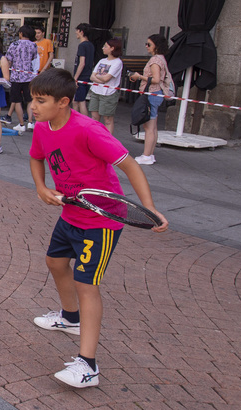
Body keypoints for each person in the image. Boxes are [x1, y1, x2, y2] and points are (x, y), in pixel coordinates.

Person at [28, 68, 168, 388]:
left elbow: (130, 164)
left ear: (63, 102)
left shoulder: (88, 131)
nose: (33, 106)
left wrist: (149, 209)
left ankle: (88, 366)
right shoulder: (42, 128)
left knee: (86, 284)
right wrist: (41, 186)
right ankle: (70, 318)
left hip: (101, 222)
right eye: (33, 100)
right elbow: (37, 158)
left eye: (41, 100)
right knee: (54, 262)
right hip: (70, 214)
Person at [128, 34, 173, 165]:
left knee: (149, 127)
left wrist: (139, 76)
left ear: (156, 46)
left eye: (149, 44)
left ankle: (146, 155)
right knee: (153, 126)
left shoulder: (155, 61)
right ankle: (150, 154)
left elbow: (156, 79)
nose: (146, 46)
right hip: (156, 94)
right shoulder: (161, 59)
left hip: (152, 93)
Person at [5, 25, 39, 132]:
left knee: (17, 100)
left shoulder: (14, 44)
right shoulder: (34, 45)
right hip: (29, 76)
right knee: (29, 100)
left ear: (21, 33)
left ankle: (21, 124)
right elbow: (34, 57)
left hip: (16, 76)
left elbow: (8, 59)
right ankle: (30, 121)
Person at [87, 38, 124, 132]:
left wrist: (98, 77)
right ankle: (94, 137)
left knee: (107, 119)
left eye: (105, 46)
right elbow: (92, 76)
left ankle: (108, 141)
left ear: (112, 48)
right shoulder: (102, 60)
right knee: (94, 117)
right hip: (96, 90)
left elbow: (106, 79)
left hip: (108, 93)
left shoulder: (117, 62)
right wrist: (101, 79)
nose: (103, 48)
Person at [72, 24, 95, 114]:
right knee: (77, 100)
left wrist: (75, 78)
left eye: (77, 31)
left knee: (80, 101)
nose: (76, 33)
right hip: (88, 75)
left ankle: (82, 123)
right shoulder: (91, 45)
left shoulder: (82, 45)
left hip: (81, 76)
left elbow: (82, 63)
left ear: (81, 31)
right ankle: (76, 121)